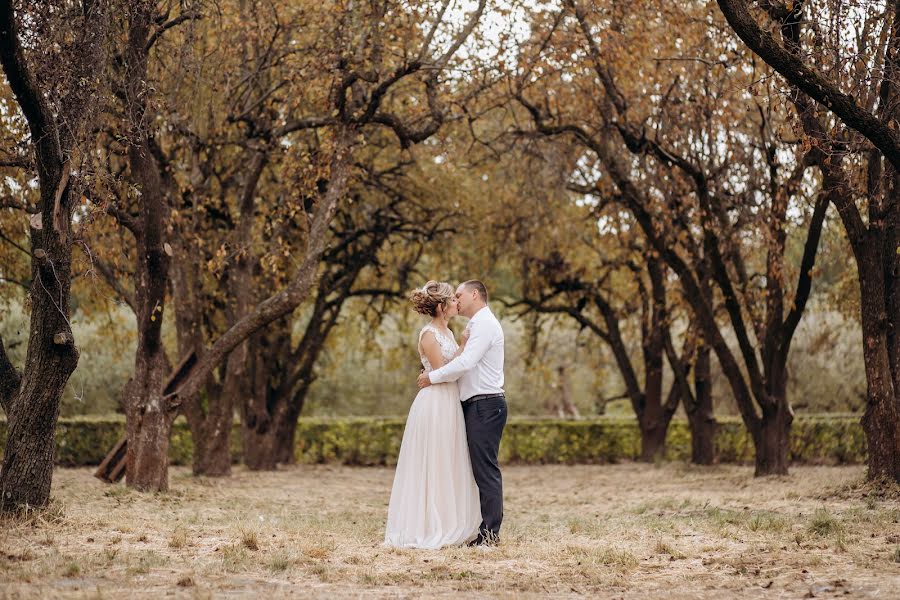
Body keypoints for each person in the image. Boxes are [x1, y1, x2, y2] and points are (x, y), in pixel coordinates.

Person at [384, 281, 481, 549]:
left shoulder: (448, 332)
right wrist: (463, 350)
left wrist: (460, 347)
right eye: (452, 301)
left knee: (448, 460)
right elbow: (441, 372)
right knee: (434, 460)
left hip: (450, 402)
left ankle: (450, 522)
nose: (456, 304)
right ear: (441, 307)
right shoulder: (429, 334)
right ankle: (429, 526)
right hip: (435, 403)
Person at [417, 280, 507, 546]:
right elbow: (459, 359)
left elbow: (466, 363)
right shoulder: (472, 326)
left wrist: (431, 378)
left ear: (474, 295)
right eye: (452, 297)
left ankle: (489, 535)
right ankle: (479, 530)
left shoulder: (485, 324)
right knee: (474, 470)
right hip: (471, 404)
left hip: (486, 404)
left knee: (485, 470)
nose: (455, 300)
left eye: (459, 295)